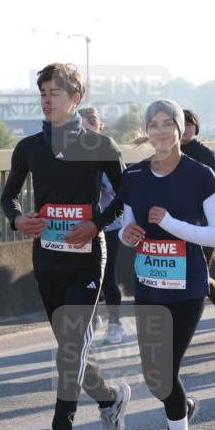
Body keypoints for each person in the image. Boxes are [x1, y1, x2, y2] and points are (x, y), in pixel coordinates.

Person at [0, 63, 131, 430]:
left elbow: (126, 195)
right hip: (47, 258)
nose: (46, 98)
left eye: (54, 92)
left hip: (88, 258)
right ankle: (110, 399)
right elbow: (9, 196)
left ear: (75, 99)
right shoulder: (29, 147)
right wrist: (19, 219)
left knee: (70, 350)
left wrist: (96, 222)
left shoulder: (100, 144)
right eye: (42, 91)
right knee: (72, 352)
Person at [118, 100, 215, 430]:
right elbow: (127, 228)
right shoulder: (133, 176)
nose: (161, 131)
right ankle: (182, 408)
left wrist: (171, 223)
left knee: (165, 369)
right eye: (154, 124)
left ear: (181, 130)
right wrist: (128, 234)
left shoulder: (201, 175)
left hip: (186, 287)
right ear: (146, 131)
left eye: (169, 124)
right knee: (155, 374)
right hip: (148, 285)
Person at [180, 108, 215, 337]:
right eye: (180, 123)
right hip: (173, 226)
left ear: (196, 127)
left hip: (204, 227)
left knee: (198, 274)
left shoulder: (205, 155)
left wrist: (210, 223)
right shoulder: (166, 153)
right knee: (180, 275)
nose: (184, 128)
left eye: (189, 124)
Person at [79, 106, 125, 344]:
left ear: (99, 128)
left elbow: (122, 189)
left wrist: (105, 187)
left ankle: (116, 324)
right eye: (82, 130)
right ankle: (92, 320)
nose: (87, 136)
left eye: (91, 130)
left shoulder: (107, 150)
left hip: (110, 226)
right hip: (84, 227)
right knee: (86, 277)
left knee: (107, 277)